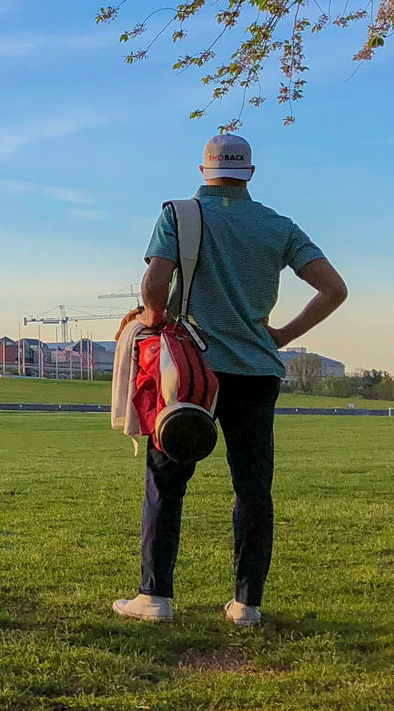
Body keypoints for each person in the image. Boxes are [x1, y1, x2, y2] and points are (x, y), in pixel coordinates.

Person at [112, 134, 349, 627]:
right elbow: (333, 288)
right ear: (251, 173)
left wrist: (154, 321)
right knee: (253, 489)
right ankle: (247, 605)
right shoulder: (277, 225)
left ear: (203, 171)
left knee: (166, 480)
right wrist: (282, 335)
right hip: (256, 373)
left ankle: (154, 597)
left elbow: (155, 283)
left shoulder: (178, 215)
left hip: (190, 372)